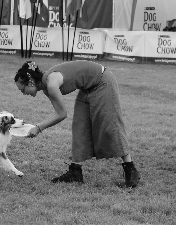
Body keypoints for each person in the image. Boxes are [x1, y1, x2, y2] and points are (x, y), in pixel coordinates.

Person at [14, 60, 140, 188]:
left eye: (23, 89)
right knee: (79, 125)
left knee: (109, 125)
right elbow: (59, 112)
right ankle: (75, 172)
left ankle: (130, 169)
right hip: (87, 87)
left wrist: (38, 128)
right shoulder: (46, 87)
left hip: (103, 81)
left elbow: (62, 114)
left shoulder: (51, 84)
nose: (24, 93)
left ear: (30, 82)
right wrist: (38, 127)